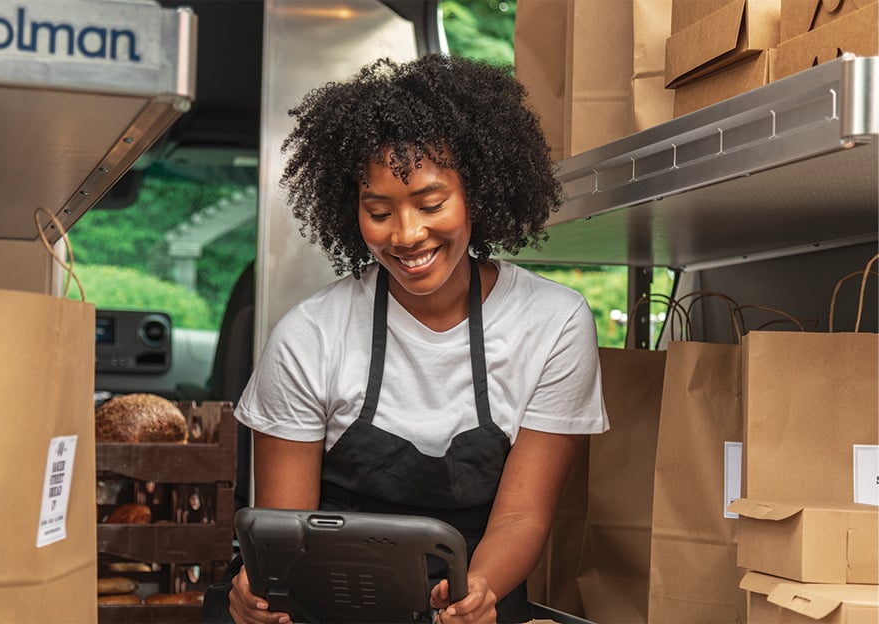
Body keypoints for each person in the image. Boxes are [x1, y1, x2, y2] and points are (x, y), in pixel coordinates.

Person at [226, 53, 608, 624]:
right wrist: (258, 592)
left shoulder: (553, 323)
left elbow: (522, 518)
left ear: (477, 192)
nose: (406, 236)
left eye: (431, 204)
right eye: (378, 211)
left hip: (480, 599)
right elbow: (284, 530)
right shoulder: (309, 336)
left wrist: (474, 592)